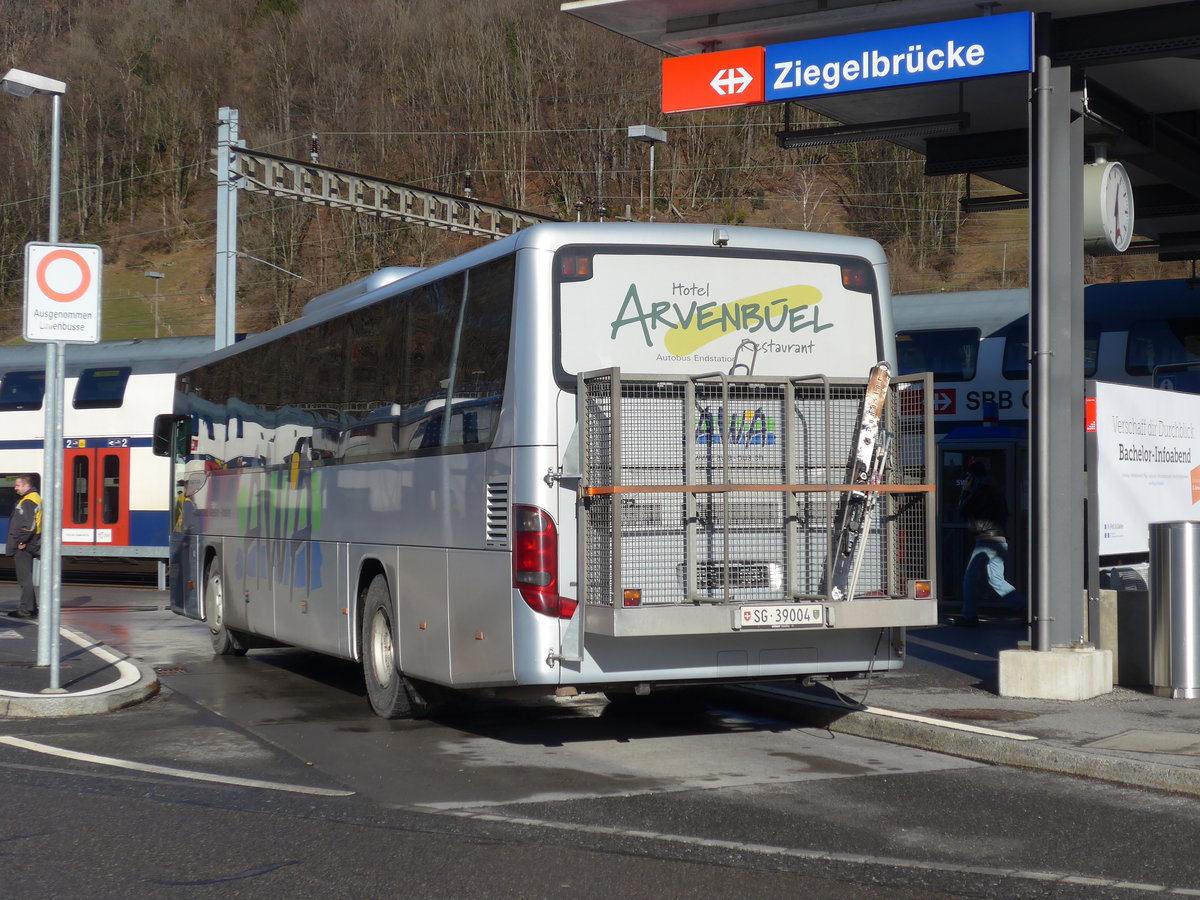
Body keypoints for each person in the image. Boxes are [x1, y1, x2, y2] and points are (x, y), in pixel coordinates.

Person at [953, 460, 1024, 627]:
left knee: (970, 578)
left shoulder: (980, 490)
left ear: (972, 476)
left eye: (968, 476)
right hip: (999, 538)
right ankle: (1024, 607)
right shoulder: (994, 489)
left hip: (986, 540)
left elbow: (963, 510)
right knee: (996, 579)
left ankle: (969, 615)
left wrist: (965, 492)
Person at [6, 474, 42, 619]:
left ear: (26, 485)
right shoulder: (34, 498)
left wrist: (22, 541)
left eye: (17, 485)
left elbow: (29, 524)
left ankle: (25, 610)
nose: (15, 488)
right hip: (31, 542)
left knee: (24, 578)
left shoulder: (28, 501)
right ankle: (31, 607)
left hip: (25, 544)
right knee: (26, 577)